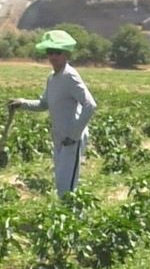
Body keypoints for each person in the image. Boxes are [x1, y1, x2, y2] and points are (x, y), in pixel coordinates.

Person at [9, 29, 98, 197]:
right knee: (61, 185)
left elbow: (90, 105)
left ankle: (75, 220)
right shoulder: (52, 77)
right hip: (59, 138)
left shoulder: (69, 76)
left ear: (66, 53)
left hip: (71, 138)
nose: (53, 56)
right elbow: (44, 104)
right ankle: (68, 218)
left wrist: (74, 134)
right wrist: (22, 103)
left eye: (57, 52)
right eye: (50, 52)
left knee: (67, 189)